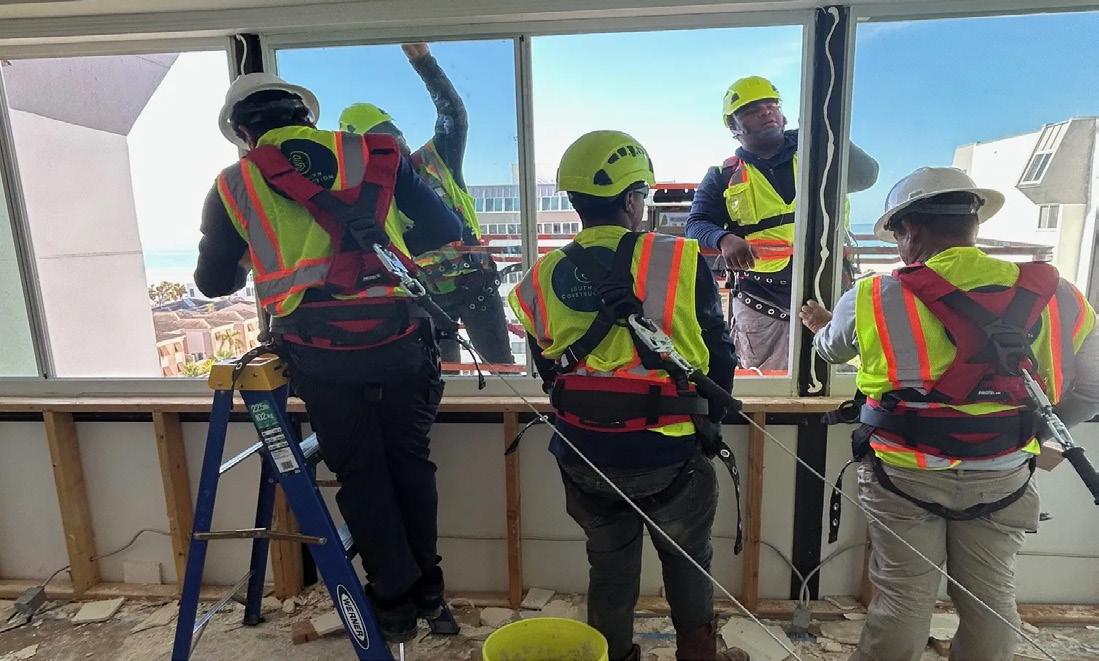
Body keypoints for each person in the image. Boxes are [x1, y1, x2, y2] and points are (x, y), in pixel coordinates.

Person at [195, 72, 466, 642]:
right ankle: (431, 593)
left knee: (362, 473)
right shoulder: (375, 154)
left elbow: (215, 282)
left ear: (243, 133)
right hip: (401, 339)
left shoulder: (235, 183)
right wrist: (380, 245)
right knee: (411, 463)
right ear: (307, 117)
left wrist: (258, 250)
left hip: (323, 354)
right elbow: (445, 228)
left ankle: (393, 602)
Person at [799, 167, 1099, 661]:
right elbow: (1091, 386)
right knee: (991, 598)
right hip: (1004, 471)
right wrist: (1029, 430)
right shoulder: (1059, 294)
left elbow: (831, 351)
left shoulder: (876, 294)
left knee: (903, 598)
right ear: (973, 223)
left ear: (909, 229)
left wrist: (823, 324)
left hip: (905, 472)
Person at [509, 130, 745, 661]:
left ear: (575, 201)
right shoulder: (678, 258)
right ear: (633, 199)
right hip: (668, 452)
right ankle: (698, 655)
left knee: (610, 567)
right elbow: (720, 353)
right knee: (687, 560)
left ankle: (611, 655)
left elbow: (547, 365)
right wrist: (708, 424)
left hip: (584, 454)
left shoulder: (542, 273)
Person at [339, 42, 515, 367]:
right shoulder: (370, 194)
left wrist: (423, 61)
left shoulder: (435, 159)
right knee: (443, 376)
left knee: (500, 368)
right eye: (380, 141)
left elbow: (453, 116)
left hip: (474, 284)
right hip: (428, 296)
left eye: (393, 135)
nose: (394, 146)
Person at [687, 75, 878, 371]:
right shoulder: (722, 176)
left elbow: (866, 176)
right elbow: (696, 224)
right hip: (761, 301)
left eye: (771, 105)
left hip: (826, 293)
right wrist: (723, 239)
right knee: (765, 381)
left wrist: (828, 131)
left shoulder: (820, 152)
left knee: (833, 377)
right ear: (734, 127)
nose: (766, 111)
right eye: (752, 109)